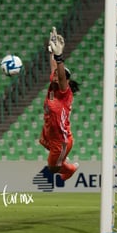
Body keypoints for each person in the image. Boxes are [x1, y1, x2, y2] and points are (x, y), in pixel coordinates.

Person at [39, 27, 80, 181]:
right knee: (42, 142)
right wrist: (51, 51)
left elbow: (61, 75)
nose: (56, 76)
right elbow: (54, 69)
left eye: (60, 75)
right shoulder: (53, 83)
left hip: (60, 139)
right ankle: (62, 160)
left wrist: (59, 56)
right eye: (55, 75)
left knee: (52, 168)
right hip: (49, 130)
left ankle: (69, 169)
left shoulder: (65, 92)